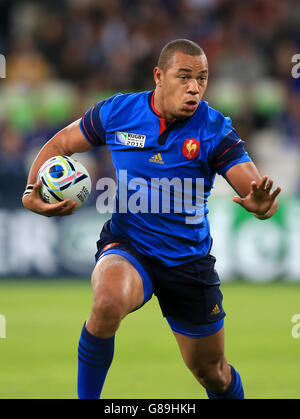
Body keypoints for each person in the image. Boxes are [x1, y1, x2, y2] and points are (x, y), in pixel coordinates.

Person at [22, 39, 281, 399]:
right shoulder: (117, 112)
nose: (194, 88)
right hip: (130, 246)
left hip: (188, 262)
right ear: (159, 76)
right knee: (108, 301)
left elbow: (253, 185)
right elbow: (60, 145)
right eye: (185, 76)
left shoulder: (213, 129)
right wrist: (31, 190)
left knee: (214, 374)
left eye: (202, 79)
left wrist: (261, 203)